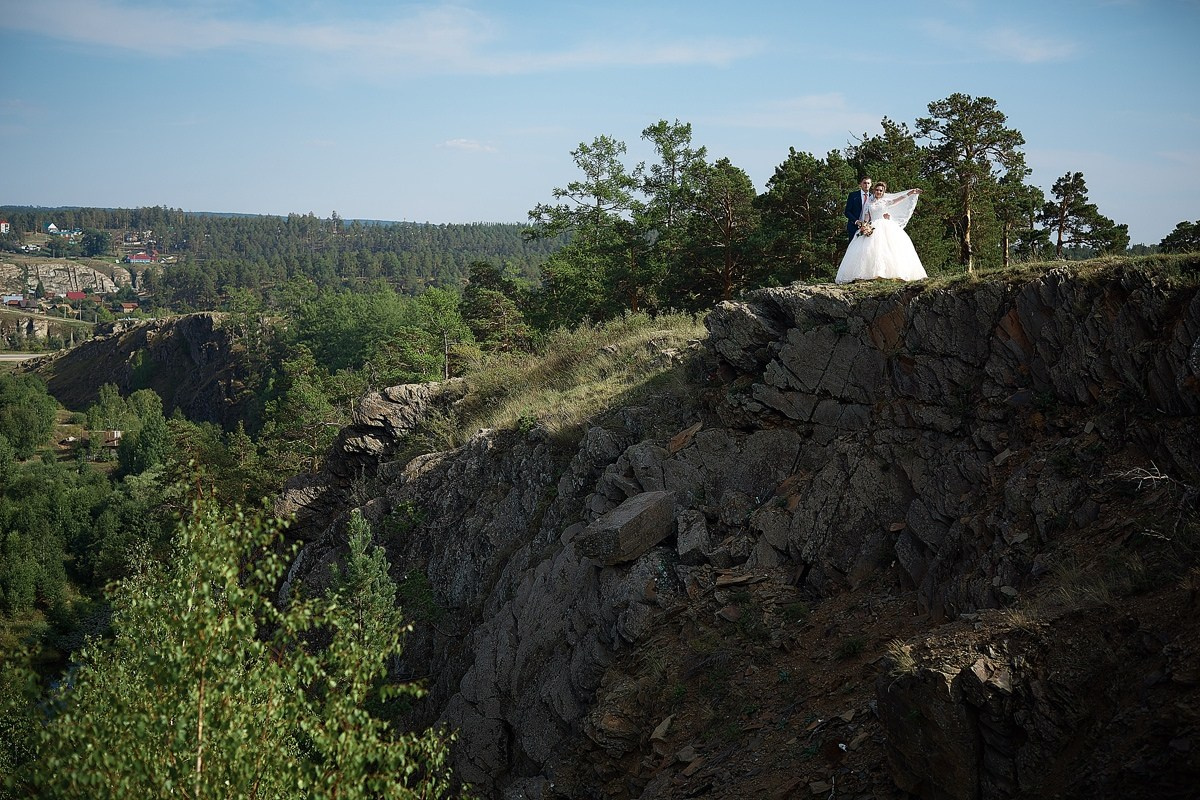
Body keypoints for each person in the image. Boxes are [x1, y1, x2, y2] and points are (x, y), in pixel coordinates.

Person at [835, 182, 926, 284]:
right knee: (869, 250)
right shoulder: (869, 203)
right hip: (873, 226)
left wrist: (911, 192)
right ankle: (869, 274)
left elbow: (900, 199)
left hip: (885, 226)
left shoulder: (886, 202)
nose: (878, 192)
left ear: (883, 192)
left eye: (881, 190)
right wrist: (864, 226)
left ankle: (890, 274)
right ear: (874, 191)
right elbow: (867, 217)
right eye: (877, 190)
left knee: (887, 249)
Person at [844, 176, 872, 242]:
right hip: (854, 227)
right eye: (864, 183)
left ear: (871, 184)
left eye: (868, 183)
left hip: (868, 228)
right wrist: (856, 221)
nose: (866, 185)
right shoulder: (853, 195)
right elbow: (847, 212)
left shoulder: (872, 197)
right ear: (861, 184)